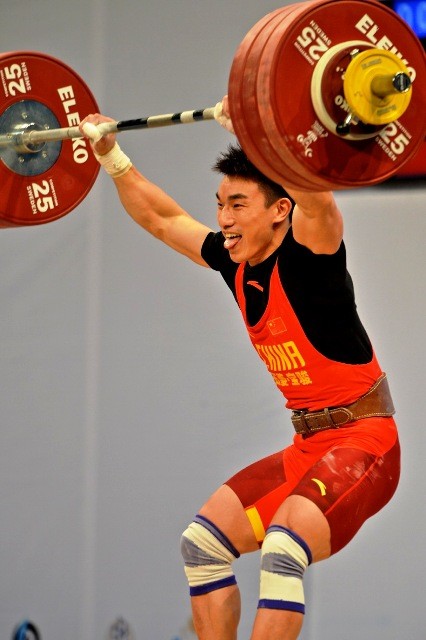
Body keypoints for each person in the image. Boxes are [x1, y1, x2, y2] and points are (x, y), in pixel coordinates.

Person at [80, 99, 400, 640]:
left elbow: (319, 203)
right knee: (202, 545)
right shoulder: (236, 264)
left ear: (279, 209)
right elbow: (163, 221)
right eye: (220, 205)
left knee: (283, 546)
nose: (224, 219)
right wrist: (111, 157)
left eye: (237, 204)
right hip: (307, 450)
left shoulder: (311, 258)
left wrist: (264, 137)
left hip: (366, 447)